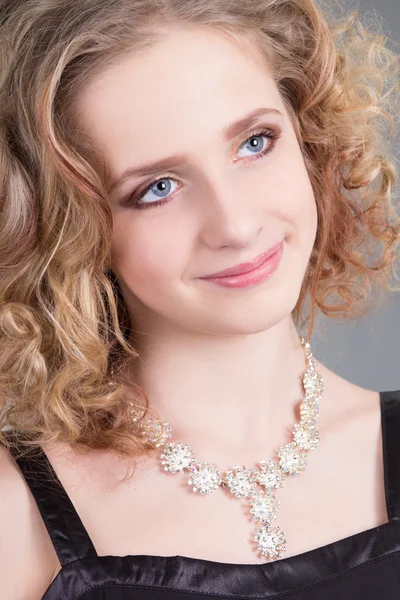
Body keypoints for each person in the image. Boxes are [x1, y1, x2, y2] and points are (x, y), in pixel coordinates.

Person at [0, 0, 399, 598]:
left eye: (255, 143)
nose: (235, 224)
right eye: (158, 188)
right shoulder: (14, 515)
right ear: (68, 227)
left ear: (309, 135)